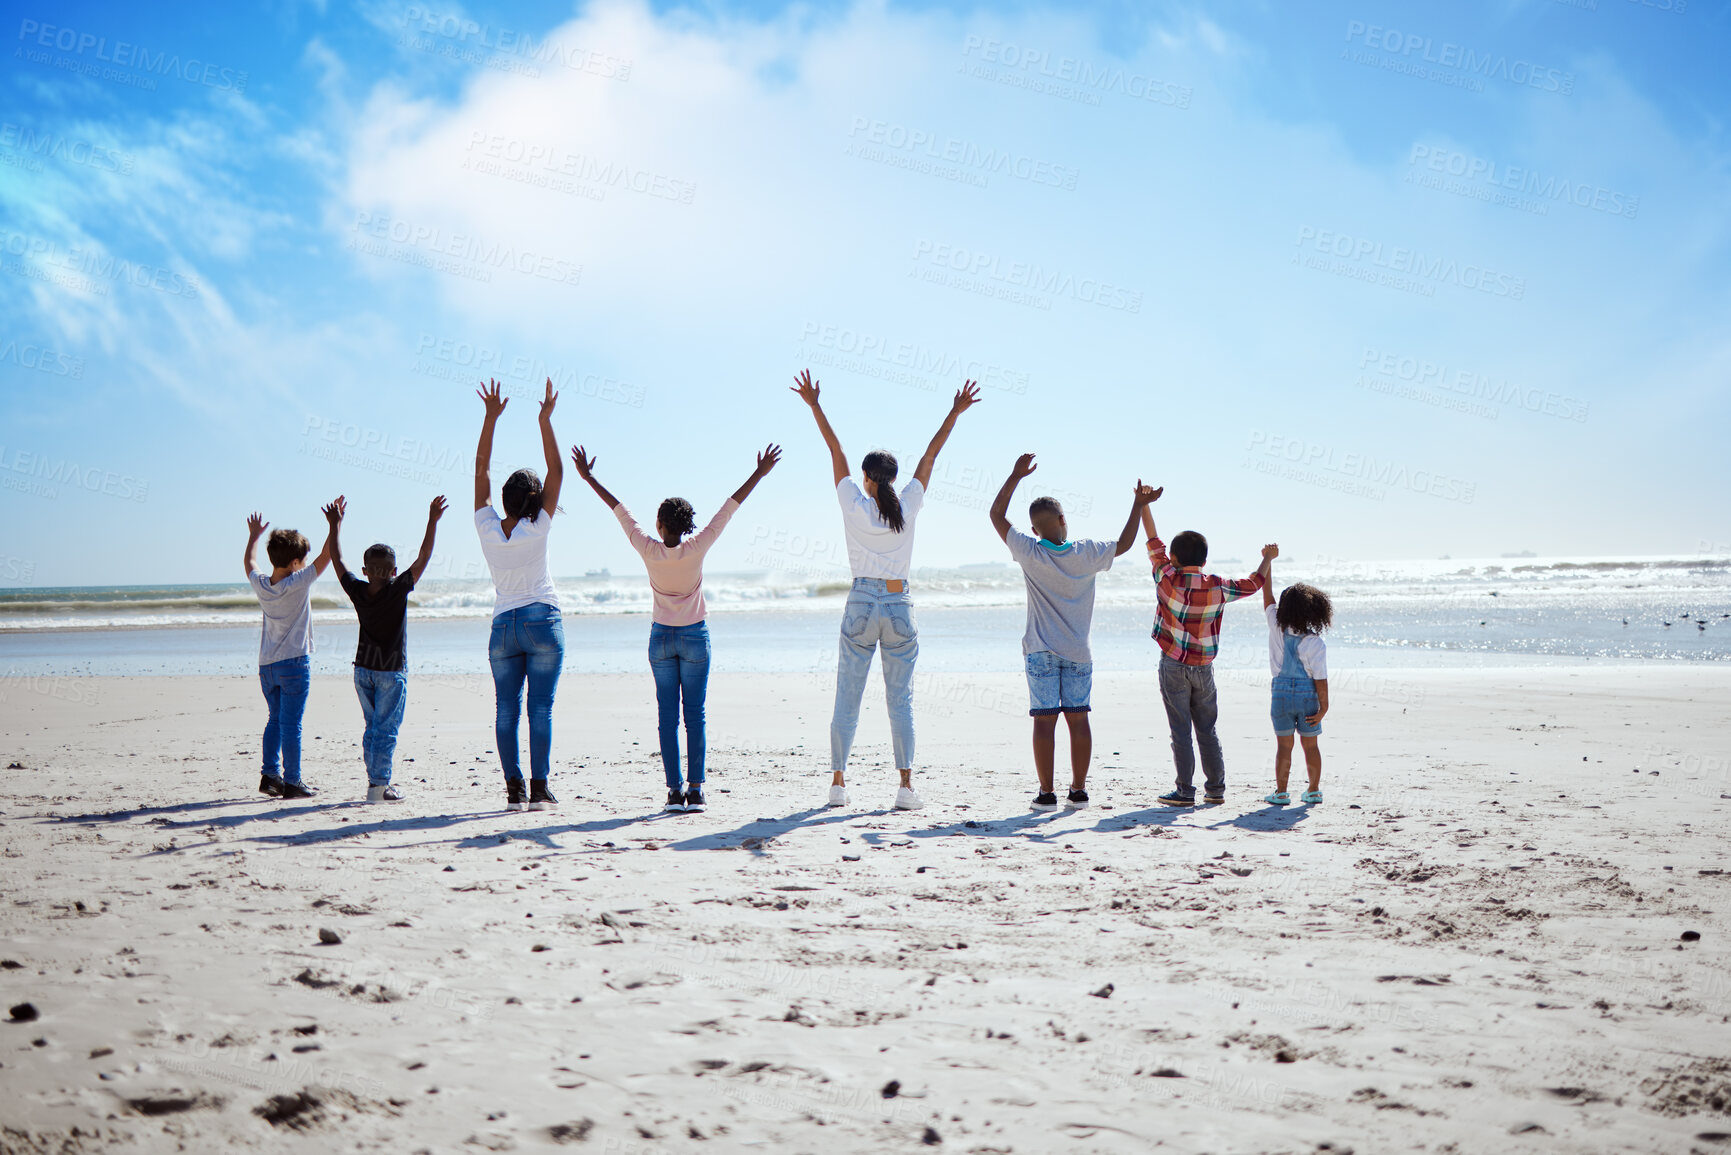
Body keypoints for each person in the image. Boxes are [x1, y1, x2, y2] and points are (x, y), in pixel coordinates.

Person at [791, 368, 980, 811]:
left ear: (867, 477)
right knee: (901, 700)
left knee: (847, 695)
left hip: (860, 599)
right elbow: (931, 457)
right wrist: (954, 411)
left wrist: (815, 404)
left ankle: (838, 784)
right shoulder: (909, 503)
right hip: (898, 603)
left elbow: (833, 448)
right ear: (892, 479)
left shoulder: (853, 504)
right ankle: (905, 788)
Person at [571, 443, 781, 812]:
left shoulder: (647, 549)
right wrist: (759, 474)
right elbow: (727, 510)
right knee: (695, 715)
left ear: (661, 525)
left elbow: (620, 511)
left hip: (661, 640)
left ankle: (673, 792)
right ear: (684, 527)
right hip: (696, 637)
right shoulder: (697, 547)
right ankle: (696, 790)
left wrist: (589, 478)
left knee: (667, 718)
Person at [989, 455, 1160, 811]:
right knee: (1079, 720)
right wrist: (1137, 505)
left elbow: (996, 515)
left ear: (1035, 530)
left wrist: (1015, 475)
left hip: (1040, 651)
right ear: (1063, 520)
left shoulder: (1029, 551)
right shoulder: (1086, 553)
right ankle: (1078, 792)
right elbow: (1125, 543)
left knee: (1044, 722)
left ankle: (1047, 794)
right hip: (1079, 652)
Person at [474, 378, 565, 812]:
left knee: (505, 710)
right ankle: (540, 787)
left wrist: (490, 418)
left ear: (506, 500)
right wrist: (544, 419)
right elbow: (558, 471)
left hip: (503, 627)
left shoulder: (488, 528)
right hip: (542, 620)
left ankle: (513, 788)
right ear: (535, 499)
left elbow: (480, 471)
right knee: (540, 708)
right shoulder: (538, 526)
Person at [1139, 502, 1268, 806]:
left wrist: (1143, 504)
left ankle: (1185, 791)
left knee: (1180, 729)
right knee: (1207, 730)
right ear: (1205, 559)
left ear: (1174, 557)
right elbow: (1255, 583)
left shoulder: (1166, 576)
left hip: (1173, 664)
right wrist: (1266, 559)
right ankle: (1215, 789)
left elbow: (1153, 540)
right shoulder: (1218, 586)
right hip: (1204, 668)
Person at [328, 495, 448, 803]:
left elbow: (338, 561)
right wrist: (433, 521)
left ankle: (375, 781)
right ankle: (379, 786)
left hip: (362, 671)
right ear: (394, 572)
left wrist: (334, 526)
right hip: (390, 672)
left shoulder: (357, 589)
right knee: (386, 730)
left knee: (373, 727)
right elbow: (423, 557)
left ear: (366, 570)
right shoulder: (398, 590)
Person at [244, 497, 343, 800]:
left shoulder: (262, 584)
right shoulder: (298, 583)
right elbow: (327, 558)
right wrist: (335, 525)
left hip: (266, 666)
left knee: (275, 719)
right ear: (295, 563)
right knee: (291, 724)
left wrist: (253, 537)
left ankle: (269, 775)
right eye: (303, 559)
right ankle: (293, 781)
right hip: (294, 665)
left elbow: (249, 563)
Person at [1259, 547, 1332, 806]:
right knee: (1310, 746)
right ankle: (1313, 790)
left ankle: (1281, 793)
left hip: (1280, 696)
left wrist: (1268, 561)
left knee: (1284, 747)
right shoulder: (1315, 643)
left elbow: (1267, 596)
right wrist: (1324, 707)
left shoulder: (1275, 626)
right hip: (1308, 697)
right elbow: (1320, 679)